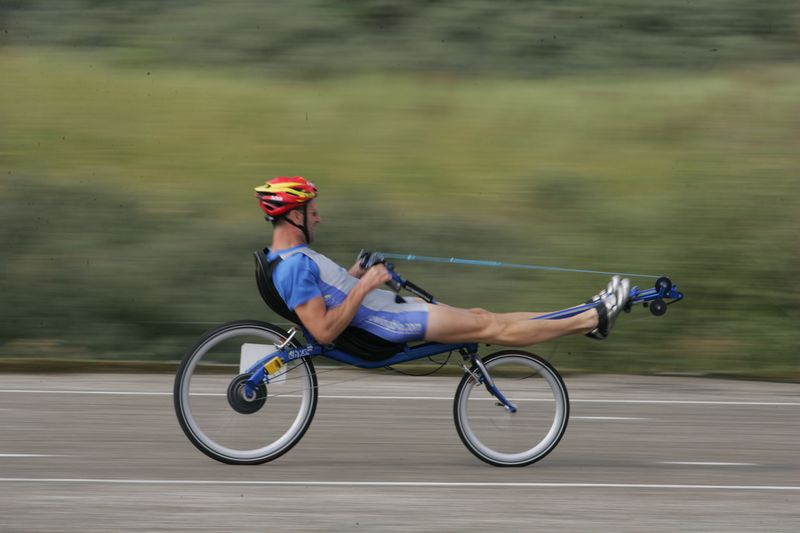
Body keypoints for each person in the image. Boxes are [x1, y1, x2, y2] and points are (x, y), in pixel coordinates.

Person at [255, 176, 630, 348]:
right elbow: (323, 331)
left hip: (389, 310)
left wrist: (357, 273)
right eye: (313, 213)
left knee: (483, 316)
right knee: (489, 327)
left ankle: (584, 315)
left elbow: (332, 295)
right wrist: (366, 285)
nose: (319, 218)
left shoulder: (290, 260)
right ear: (294, 216)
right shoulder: (293, 267)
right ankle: (590, 320)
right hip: (390, 321)